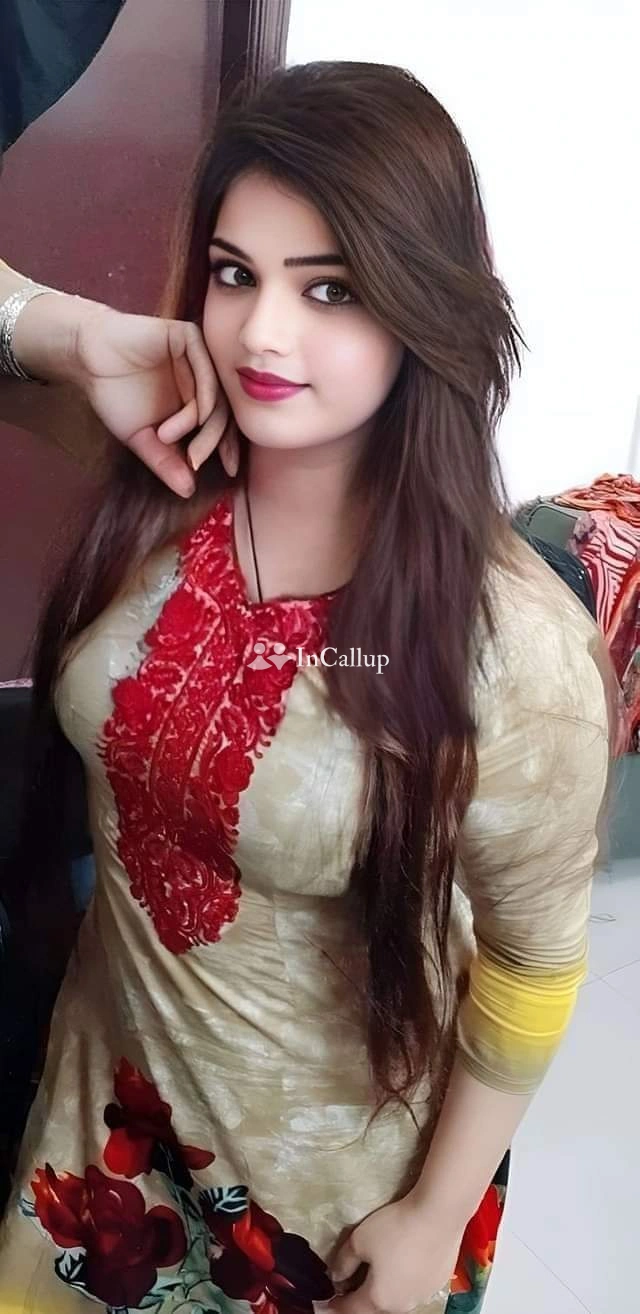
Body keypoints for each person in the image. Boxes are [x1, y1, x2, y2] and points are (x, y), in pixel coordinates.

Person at [0, 62, 616, 1314]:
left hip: (319, 1200)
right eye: (235, 275)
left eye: (329, 289)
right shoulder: (165, 457)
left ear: (421, 306)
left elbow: (533, 960)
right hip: (102, 1124)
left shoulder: (509, 651)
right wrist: (79, 336)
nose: (260, 335)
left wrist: (430, 1220)